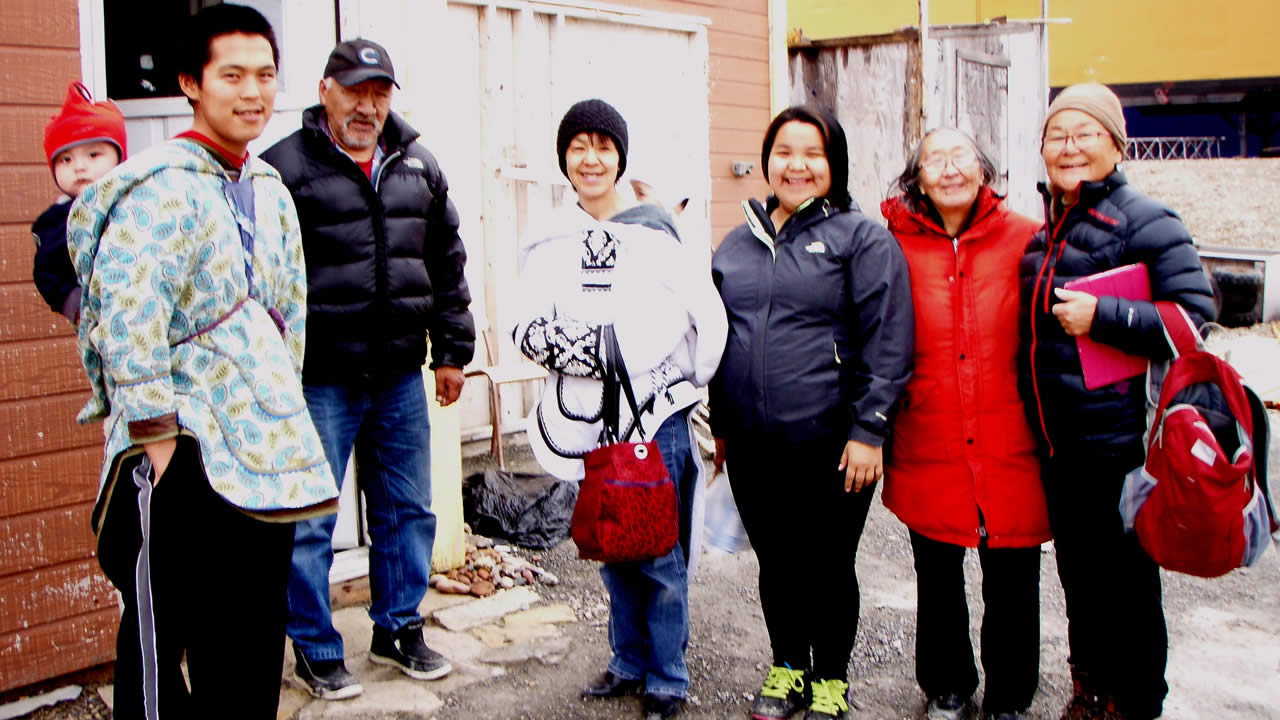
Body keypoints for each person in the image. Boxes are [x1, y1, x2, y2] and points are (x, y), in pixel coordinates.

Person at [66, 5, 340, 719]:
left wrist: (285, 410)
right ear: (191, 81)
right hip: (182, 449)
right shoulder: (159, 187)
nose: (253, 92)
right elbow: (127, 312)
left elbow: (291, 316)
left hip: (262, 450)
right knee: (162, 640)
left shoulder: (270, 189)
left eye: (266, 76)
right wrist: (154, 434)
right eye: (233, 75)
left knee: (249, 638)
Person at [260, 38, 475, 700]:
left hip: (400, 375)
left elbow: (446, 260)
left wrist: (453, 352)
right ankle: (318, 649)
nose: (369, 106)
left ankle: (399, 628)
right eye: (355, 91)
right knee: (310, 522)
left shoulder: (418, 165)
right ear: (326, 90)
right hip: (318, 376)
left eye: (380, 93)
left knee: (407, 509)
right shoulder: (281, 170)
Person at [509, 98, 727, 720]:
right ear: (564, 160)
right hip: (585, 421)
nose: (591, 157)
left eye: (603, 146)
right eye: (578, 146)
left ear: (620, 158)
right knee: (612, 547)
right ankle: (628, 661)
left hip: (654, 420)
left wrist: (663, 375)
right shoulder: (549, 240)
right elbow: (526, 325)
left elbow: (698, 323)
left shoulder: (658, 235)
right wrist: (598, 352)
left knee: (659, 553)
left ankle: (668, 676)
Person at [710, 106, 914, 720]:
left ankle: (831, 679)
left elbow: (890, 338)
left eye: (813, 154)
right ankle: (787, 667)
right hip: (751, 441)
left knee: (827, 564)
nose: (796, 165)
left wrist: (870, 430)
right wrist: (721, 426)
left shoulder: (862, 237)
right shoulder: (738, 242)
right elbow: (721, 337)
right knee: (777, 561)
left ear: (834, 164)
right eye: (784, 152)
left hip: (833, 442)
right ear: (767, 159)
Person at [1019, 83, 1215, 720]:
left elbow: (1195, 324)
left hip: (1126, 445)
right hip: (1060, 446)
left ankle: (1135, 703)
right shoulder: (1044, 234)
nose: (1069, 148)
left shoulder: (1147, 219)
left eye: (1085, 134)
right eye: (1057, 136)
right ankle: (1091, 689)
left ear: (1115, 143)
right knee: (1080, 579)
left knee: (1129, 585)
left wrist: (1105, 316)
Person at [881, 129, 1048, 720]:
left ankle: (1009, 695)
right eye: (934, 160)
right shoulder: (891, 244)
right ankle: (947, 685)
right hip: (929, 431)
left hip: (1011, 435)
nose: (949, 169)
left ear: (984, 169)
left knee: (1013, 575)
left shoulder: (1028, 237)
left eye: (961, 157)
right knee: (937, 573)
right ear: (916, 178)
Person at [33, 81, 127, 325]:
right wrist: (74, 304)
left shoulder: (137, 201)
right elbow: (47, 272)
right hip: (98, 319)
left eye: (93, 155)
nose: (79, 167)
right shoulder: (56, 221)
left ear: (119, 158)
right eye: (65, 159)